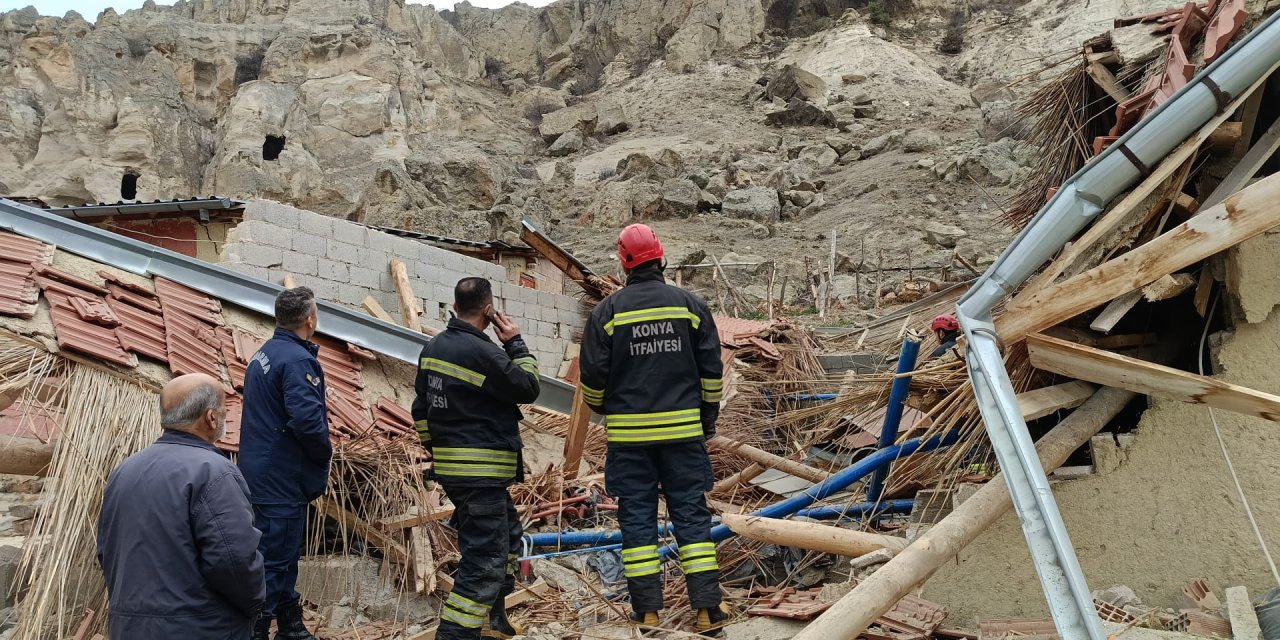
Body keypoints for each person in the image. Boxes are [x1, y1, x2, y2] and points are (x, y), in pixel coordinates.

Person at [579, 224, 730, 633]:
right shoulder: (689, 306)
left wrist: (606, 410)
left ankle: (646, 612)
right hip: (683, 435)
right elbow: (711, 374)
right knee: (692, 520)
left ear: (624, 263)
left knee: (637, 522)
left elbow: (591, 380)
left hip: (629, 441)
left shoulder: (606, 313)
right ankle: (707, 610)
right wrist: (706, 419)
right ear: (660, 257)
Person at [412, 277, 541, 640]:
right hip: (480, 476)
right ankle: (454, 634)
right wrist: (515, 341)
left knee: (509, 539)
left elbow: (420, 407)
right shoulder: (485, 353)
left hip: (462, 475)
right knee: (484, 561)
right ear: (489, 310)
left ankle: (493, 620)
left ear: (455, 306)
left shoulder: (433, 347)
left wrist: (436, 449)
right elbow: (528, 387)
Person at [97, 373, 265, 639]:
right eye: (223, 410)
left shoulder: (125, 471)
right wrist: (255, 605)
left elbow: (106, 552)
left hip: (129, 627)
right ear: (211, 417)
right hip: (200, 629)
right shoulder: (215, 472)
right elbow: (235, 562)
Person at [241, 287, 331, 640]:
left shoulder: (264, 353)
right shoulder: (296, 359)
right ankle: (257, 630)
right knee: (276, 558)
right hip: (280, 477)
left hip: (261, 472)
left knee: (279, 554)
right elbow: (307, 421)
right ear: (310, 320)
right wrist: (324, 453)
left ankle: (291, 624)